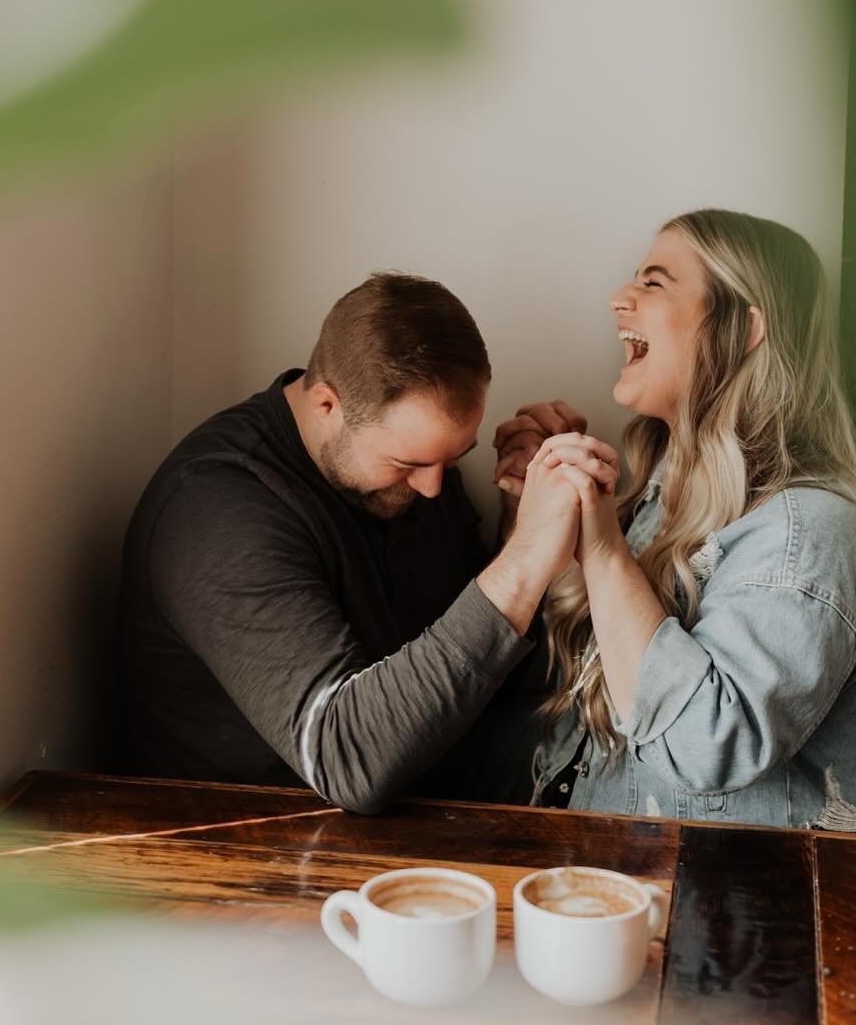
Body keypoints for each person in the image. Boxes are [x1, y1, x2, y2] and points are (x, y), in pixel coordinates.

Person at [494, 209, 856, 830]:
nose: (618, 300)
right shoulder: (665, 495)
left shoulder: (812, 533)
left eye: (654, 282)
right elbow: (590, 678)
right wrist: (534, 516)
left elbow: (706, 744)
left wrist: (604, 548)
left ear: (744, 330)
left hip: (745, 917)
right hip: (624, 895)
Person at [115, 272, 580, 813]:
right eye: (409, 464)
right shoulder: (216, 512)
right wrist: (523, 563)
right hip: (249, 841)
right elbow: (350, 760)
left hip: (413, 796)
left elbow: (465, 670)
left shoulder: (410, 472)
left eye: (452, 459)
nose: (434, 487)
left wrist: (515, 526)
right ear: (326, 406)